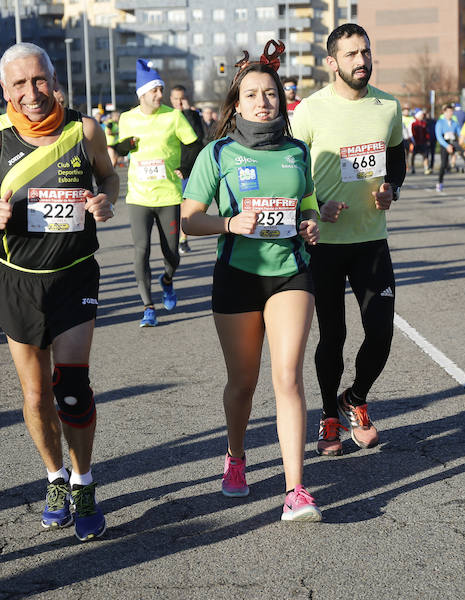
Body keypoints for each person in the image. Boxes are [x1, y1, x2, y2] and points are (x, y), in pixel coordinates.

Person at [0, 42, 119, 542]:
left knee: (71, 387)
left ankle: (84, 481)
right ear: (5, 89)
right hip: (16, 277)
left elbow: (109, 175)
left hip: (73, 273)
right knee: (34, 394)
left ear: (53, 78)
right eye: (20, 84)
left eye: (39, 80)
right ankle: (54, 479)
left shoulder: (83, 129)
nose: (31, 93)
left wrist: (105, 200)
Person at [182, 43, 323, 521]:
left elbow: (308, 206)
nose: (263, 101)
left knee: (288, 377)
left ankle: (296, 490)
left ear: (281, 101)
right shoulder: (217, 153)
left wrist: (311, 224)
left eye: (271, 93)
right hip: (237, 277)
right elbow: (189, 220)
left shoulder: (298, 152)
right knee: (243, 383)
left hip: (291, 273)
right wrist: (228, 224)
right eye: (253, 94)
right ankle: (236, 457)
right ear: (236, 104)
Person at [291, 24, 406, 456]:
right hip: (323, 244)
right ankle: (327, 416)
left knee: (380, 333)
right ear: (332, 62)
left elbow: (397, 160)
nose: (362, 61)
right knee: (333, 337)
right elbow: (292, 172)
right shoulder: (309, 111)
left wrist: (392, 188)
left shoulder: (388, 106)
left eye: (366, 52)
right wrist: (313, 209)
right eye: (352, 54)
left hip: (371, 241)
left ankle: (353, 399)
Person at [114, 59, 200, 327]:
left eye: (161, 90)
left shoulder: (173, 116)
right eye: (154, 91)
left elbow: (195, 144)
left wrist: (185, 167)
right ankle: (148, 306)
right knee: (140, 251)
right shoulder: (127, 118)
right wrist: (123, 146)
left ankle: (167, 280)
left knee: (171, 252)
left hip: (169, 197)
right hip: (139, 197)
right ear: (142, 93)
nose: (159, 95)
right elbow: (120, 149)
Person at [169, 84, 205, 256]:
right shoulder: (167, 116)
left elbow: (198, 138)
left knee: (186, 206)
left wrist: (188, 112)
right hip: (172, 168)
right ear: (170, 100)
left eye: (181, 98)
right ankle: (172, 239)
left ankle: (183, 239)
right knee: (173, 209)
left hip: (188, 168)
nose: (179, 102)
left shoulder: (194, 115)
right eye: (175, 99)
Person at [434, 103, 461, 192]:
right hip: (444, 144)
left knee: (463, 151)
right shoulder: (440, 122)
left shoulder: (454, 123)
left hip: (453, 142)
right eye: (448, 111)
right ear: (444, 112)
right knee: (443, 164)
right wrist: (446, 146)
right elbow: (439, 137)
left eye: (451, 111)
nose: (450, 113)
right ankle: (440, 182)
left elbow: (460, 134)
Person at [410, 109, 433, 174]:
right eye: (421, 115)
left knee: (425, 156)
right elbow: (412, 133)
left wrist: (427, 140)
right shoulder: (414, 124)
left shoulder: (424, 123)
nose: (422, 116)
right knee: (413, 156)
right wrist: (413, 141)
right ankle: (412, 168)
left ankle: (426, 168)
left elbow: (426, 133)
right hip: (416, 143)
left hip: (423, 142)